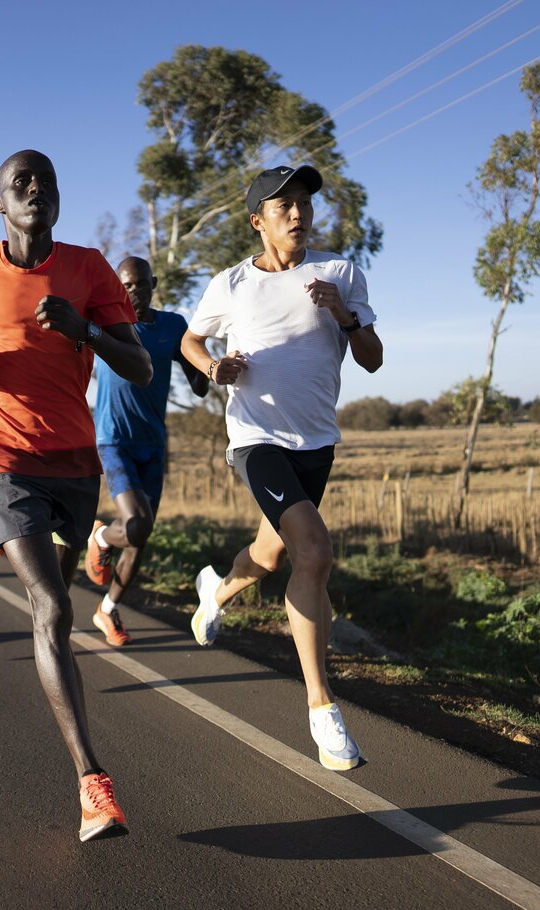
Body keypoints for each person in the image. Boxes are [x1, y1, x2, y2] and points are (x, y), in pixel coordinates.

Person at [0, 149, 151, 841]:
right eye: (19, 182)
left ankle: (85, 548)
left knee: (58, 592)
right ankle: (93, 781)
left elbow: (139, 365)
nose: (34, 188)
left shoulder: (89, 270)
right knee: (50, 606)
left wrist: (85, 329)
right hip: (3, 460)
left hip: (75, 463)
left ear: (58, 199)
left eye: (46, 180)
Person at [180, 164, 383, 771]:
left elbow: (371, 360)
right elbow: (190, 342)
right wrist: (214, 368)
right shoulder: (232, 284)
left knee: (270, 557)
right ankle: (323, 710)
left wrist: (344, 315)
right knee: (313, 552)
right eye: (284, 205)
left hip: (316, 443)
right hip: (256, 439)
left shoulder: (341, 273)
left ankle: (214, 593)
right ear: (258, 221)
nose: (298, 214)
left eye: (304, 204)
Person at [83, 256, 208, 645]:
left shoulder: (172, 327)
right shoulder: (103, 325)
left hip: (153, 443)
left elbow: (199, 382)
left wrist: (213, 367)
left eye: (140, 284)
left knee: (143, 536)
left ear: (153, 283)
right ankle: (102, 538)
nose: (133, 291)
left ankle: (107, 609)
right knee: (135, 524)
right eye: (126, 285)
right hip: (113, 440)